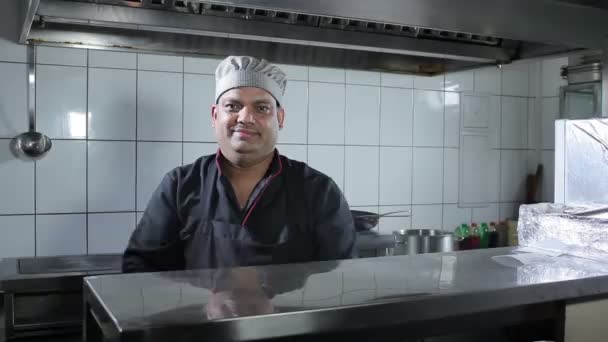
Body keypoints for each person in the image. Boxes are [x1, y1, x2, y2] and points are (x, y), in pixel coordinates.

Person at [123, 56, 356, 272]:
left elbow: (340, 279)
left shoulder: (318, 190)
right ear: (215, 116)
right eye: (233, 106)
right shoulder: (180, 185)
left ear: (280, 118)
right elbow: (141, 269)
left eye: (262, 108)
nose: (245, 118)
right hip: (199, 317)